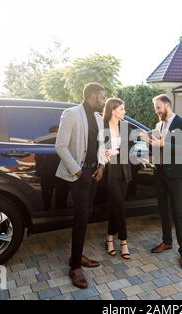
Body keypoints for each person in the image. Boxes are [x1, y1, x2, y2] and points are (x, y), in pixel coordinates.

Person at [55, 83, 106, 289]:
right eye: (102, 98)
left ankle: (77, 255)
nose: (104, 101)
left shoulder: (98, 118)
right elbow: (60, 146)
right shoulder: (71, 114)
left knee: (86, 216)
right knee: (82, 216)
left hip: (94, 174)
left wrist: (102, 165)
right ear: (93, 96)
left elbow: (103, 145)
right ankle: (75, 266)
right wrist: (78, 171)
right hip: (78, 175)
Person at [141, 94, 182, 269]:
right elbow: (156, 147)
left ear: (167, 105)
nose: (156, 111)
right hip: (159, 173)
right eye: (155, 108)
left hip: (175, 174)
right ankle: (167, 242)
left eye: (158, 107)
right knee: (163, 209)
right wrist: (149, 152)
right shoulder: (158, 125)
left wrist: (163, 144)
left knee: (178, 212)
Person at [102, 98, 133, 260]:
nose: (124, 111)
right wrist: (107, 152)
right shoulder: (103, 126)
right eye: (121, 109)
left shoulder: (125, 126)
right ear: (113, 110)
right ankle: (124, 242)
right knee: (120, 206)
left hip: (124, 171)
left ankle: (109, 239)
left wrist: (117, 151)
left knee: (116, 206)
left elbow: (130, 148)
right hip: (109, 172)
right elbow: (100, 149)